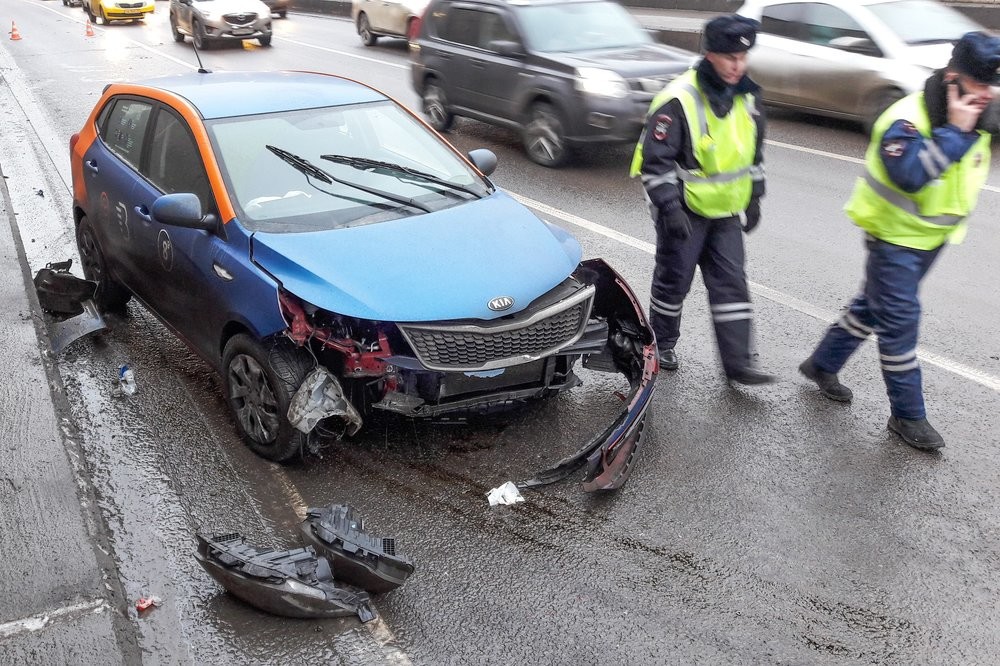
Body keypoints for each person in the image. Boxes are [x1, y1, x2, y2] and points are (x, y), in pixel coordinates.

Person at [798, 31, 1000, 451]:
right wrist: (958, 133)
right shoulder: (906, 120)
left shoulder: (979, 111)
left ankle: (821, 364)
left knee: (871, 308)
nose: (986, 97)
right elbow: (910, 174)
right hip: (893, 240)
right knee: (900, 325)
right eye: (978, 87)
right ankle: (907, 415)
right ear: (952, 79)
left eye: (992, 88)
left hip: (931, 240)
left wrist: (969, 123)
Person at [630, 14, 774, 385]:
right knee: (674, 280)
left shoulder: (747, 97)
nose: (737, 66)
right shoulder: (678, 100)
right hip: (683, 208)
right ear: (710, 54)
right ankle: (661, 343)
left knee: (731, 282)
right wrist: (670, 208)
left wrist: (755, 195)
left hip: (725, 209)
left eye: (742, 58)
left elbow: (753, 154)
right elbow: (656, 162)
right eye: (729, 57)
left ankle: (739, 363)